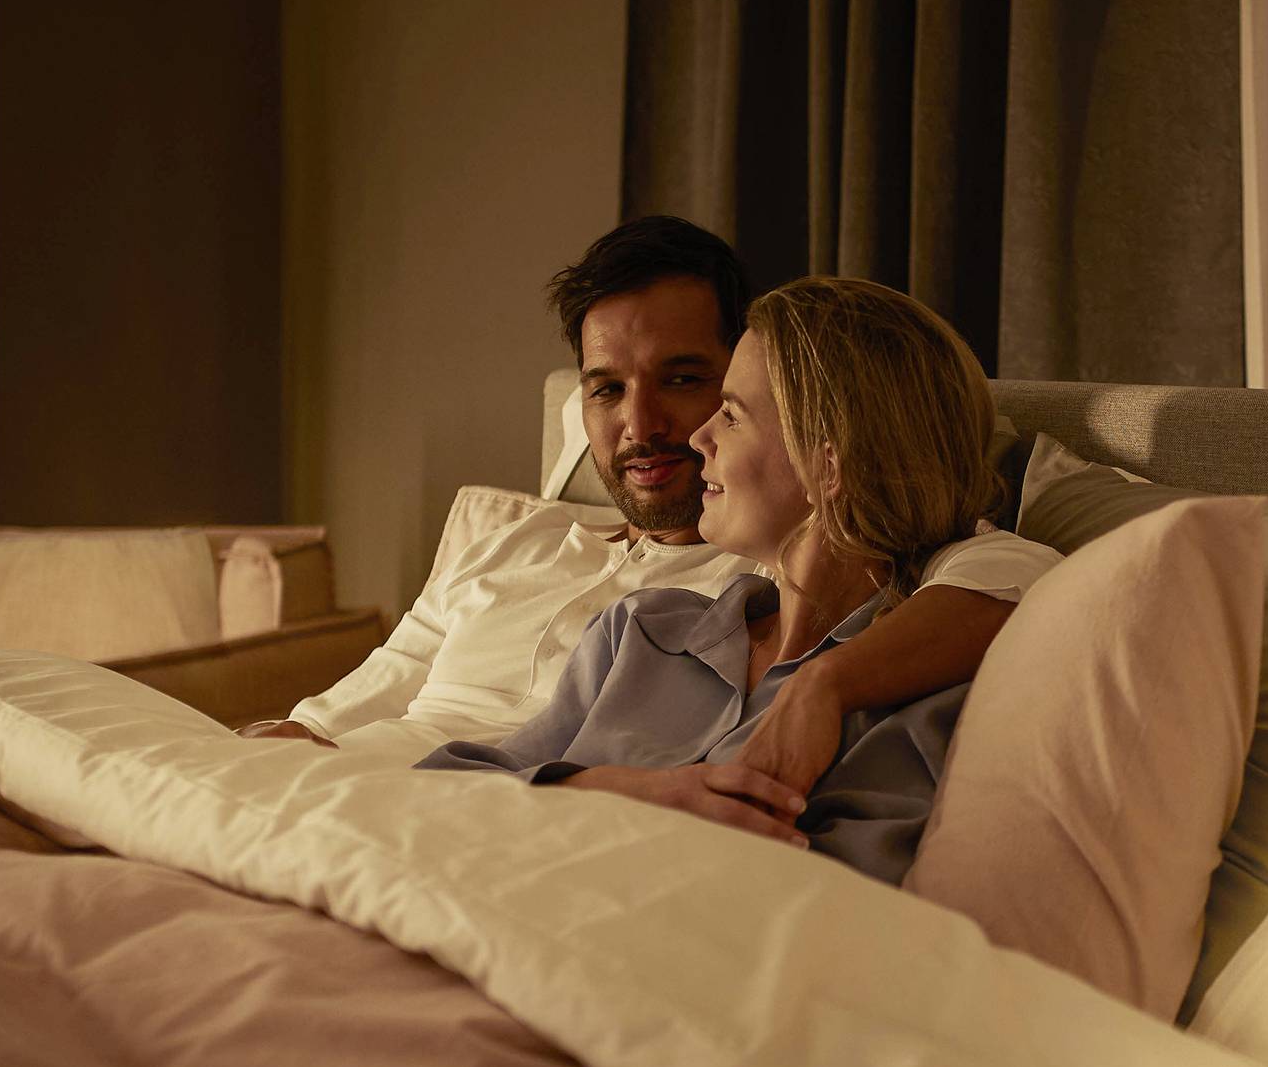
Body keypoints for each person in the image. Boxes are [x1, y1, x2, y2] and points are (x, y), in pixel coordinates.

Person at [252, 217, 1049, 785]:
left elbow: (1007, 572)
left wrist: (824, 685)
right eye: (606, 389)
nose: (644, 425)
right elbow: (342, 708)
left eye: (686, 383)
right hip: (349, 800)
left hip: (473, 831)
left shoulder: (763, 579)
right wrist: (283, 749)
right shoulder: (521, 549)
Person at [417, 277, 1011, 882]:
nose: (700, 438)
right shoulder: (639, 633)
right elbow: (437, 791)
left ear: (827, 465)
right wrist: (626, 793)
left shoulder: (926, 699)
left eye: (730, 415)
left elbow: (836, 907)